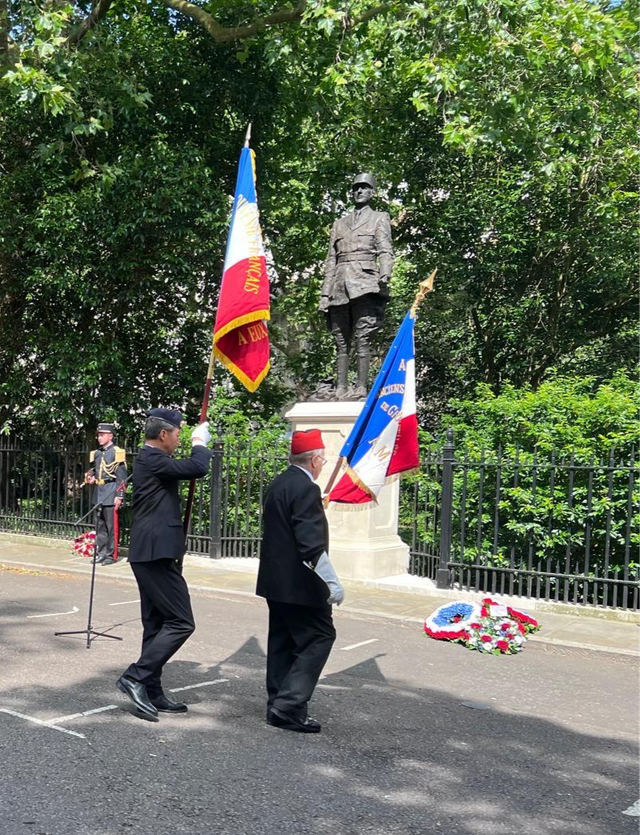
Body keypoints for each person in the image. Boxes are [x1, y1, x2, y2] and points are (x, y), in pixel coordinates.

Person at [116, 408, 212, 722]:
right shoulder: (151, 458)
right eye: (178, 433)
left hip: (153, 553)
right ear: (163, 434)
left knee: (156, 625)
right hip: (154, 555)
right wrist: (200, 443)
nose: (179, 439)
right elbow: (199, 467)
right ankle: (135, 676)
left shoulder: (154, 460)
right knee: (182, 622)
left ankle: (151, 689)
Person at [257, 428, 345, 734]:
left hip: (275, 581)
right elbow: (310, 545)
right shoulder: (305, 489)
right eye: (323, 459)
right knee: (320, 636)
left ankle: (277, 705)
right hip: (300, 584)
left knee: (282, 642)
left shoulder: (281, 482)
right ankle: (289, 705)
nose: (323, 464)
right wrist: (332, 581)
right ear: (315, 460)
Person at [320, 172, 395, 400]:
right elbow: (330, 260)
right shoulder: (339, 224)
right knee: (341, 340)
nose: (359, 191)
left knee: (363, 337)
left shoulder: (380, 218)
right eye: (355, 188)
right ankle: (340, 388)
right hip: (339, 285)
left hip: (365, 283)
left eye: (364, 188)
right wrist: (325, 293)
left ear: (372, 192)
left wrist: (385, 273)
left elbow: (385, 249)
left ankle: (361, 387)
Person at [84, 422, 127, 566]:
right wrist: (91, 476)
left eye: (102, 435)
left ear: (110, 436)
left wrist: (119, 495)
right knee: (99, 526)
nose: (99, 438)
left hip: (111, 491)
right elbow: (96, 471)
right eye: (98, 435)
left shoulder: (117, 452)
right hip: (99, 492)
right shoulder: (97, 453)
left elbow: (121, 477)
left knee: (111, 526)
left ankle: (111, 555)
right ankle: (101, 553)